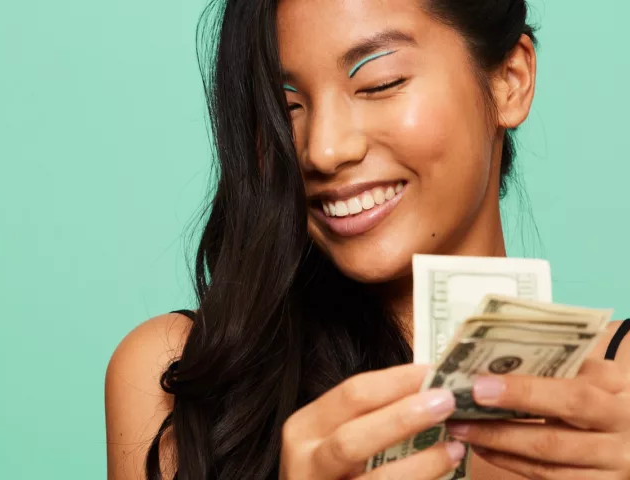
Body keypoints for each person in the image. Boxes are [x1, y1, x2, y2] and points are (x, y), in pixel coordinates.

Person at [105, 0, 630, 478]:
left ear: (510, 80)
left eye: (379, 82)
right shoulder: (178, 381)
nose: (324, 150)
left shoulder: (622, 390)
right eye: (285, 107)